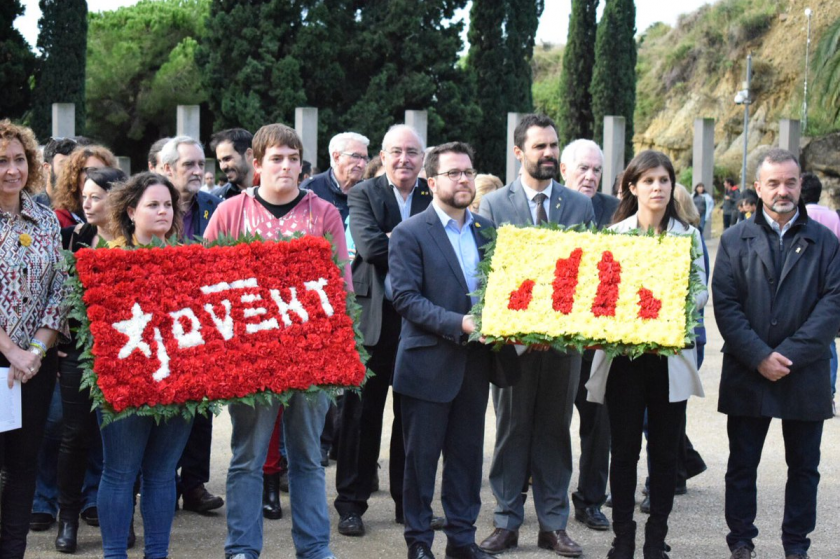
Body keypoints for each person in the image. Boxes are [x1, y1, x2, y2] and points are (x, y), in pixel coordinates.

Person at [204, 123, 349, 559]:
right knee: (247, 457)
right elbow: (207, 284)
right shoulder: (230, 212)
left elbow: (340, 285)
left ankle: (315, 547)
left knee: (307, 458)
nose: (286, 166)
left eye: (293, 159)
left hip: (310, 358)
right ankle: (242, 547)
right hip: (250, 360)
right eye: (276, 158)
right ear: (257, 163)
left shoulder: (324, 213)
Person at [478, 114, 594, 558]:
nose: (549, 153)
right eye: (540, 146)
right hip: (513, 345)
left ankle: (553, 526)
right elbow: (488, 273)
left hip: (564, 344)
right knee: (511, 430)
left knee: (555, 431)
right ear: (518, 152)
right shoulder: (493, 205)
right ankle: (506, 523)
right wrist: (521, 329)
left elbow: (587, 272)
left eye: (553, 145)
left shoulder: (579, 206)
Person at [714, 149, 840, 559]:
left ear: (801, 185)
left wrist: (787, 356)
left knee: (804, 468)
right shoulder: (734, 239)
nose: (782, 191)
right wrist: (759, 356)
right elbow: (726, 305)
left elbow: (833, 305)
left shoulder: (825, 241)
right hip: (748, 369)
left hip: (804, 371)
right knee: (742, 464)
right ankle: (740, 541)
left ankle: (796, 545)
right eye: (773, 183)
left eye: (790, 182)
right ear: (757, 188)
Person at [585, 150, 707, 559]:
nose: (658, 187)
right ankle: (623, 538)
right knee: (623, 452)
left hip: (669, 357)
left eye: (664, 180)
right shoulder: (614, 235)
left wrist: (674, 303)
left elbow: (700, 290)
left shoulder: (687, 236)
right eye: (649, 181)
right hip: (624, 359)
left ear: (672, 186)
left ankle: (656, 540)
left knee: (665, 452)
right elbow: (600, 294)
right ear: (632, 187)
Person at [389, 142, 500, 559]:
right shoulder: (410, 232)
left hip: (475, 364)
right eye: (453, 173)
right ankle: (419, 542)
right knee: (420, 463)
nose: (464, 180)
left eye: (469, 172)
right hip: (426, 365)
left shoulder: (487, 231)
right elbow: (405, 298)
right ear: (431, 182)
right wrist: (460, 323)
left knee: (467, 460)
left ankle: (462, 540)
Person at [338, 124, 434, 538]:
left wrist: (395, 238)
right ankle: (351, 504)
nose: (404, 159)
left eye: (412, 152)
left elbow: (440, 250)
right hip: (374, 318)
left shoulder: (432, 193)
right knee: (361, 416)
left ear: (423, 158)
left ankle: (407, 504)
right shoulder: (364, 193)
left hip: (421, 320)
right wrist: (418, 244)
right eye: (396, 151)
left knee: (413, 419)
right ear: (383, 155)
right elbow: (370, 247)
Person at [98, 172, 193, 559]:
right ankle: (114, 554)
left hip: (180, 384)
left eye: (168, 204)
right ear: (131, 211)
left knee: (161, 473)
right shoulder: (107, 262)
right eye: (153, 204)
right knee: (120, 473)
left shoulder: (191, 261)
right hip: (125, 386)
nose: (163, 211)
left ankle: (158, 554)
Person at [0, 119, 69, 558]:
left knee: (23, 464)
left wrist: (36, 351)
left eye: (19, 159)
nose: (12, 169)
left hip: (34, 366)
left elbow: (59, 289)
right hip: (5, 361)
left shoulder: (44, 218)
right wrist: (10, 351)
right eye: (1, 161)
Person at [53, 167, 126, 553]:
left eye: (96, 196)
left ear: (117, 199)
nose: (87, 203)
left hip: (125, 353)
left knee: (121, 439)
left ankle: (120, 517)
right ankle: (68, 518)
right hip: (77, 352)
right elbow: (55, 292)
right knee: (75, 434)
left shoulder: (134, 242)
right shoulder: (71, 237)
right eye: (84, 196)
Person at [157, 136, 224, 513]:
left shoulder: (214, 206)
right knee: (164, 406)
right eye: (189, 165)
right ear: (167, 169)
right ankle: (162, 483)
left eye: (201, 164)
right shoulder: (152, 202)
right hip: (161, 320)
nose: (198, 171)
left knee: (201, 406)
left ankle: (195, 484)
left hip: (204, 321)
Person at [559, 138, 617, 533]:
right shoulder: (552, 207)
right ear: (564, 170)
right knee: (550, 423)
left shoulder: (616, 210)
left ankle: (591, 500)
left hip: (600, 342)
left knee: (599, 426)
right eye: (583, 168)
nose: (590, 176)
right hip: (559, 339)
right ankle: (545, 496)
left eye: (597, 169)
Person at [800, 172, 840, 413]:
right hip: (828, 283)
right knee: (828, 342)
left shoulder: (797, 215)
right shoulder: (833, 216)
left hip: (802, 284)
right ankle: (829, 393)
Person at [301, 132, 370, 224]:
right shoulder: (312, 188)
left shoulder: (368, 191)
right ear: (336, 157)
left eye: (365, 158)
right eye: (355, 156)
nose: (361, 164)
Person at [52, 145, 116, 227]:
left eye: (104, 171)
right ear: (75, 175)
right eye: (92, 170)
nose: (98, 175)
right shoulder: (58, 220)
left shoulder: (119, 218)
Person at [210, 128, 254, 200]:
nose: (222, 167)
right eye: (220, 161)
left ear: (249, 154)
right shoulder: (216, 199)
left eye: (227, 159)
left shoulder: (272, 191)